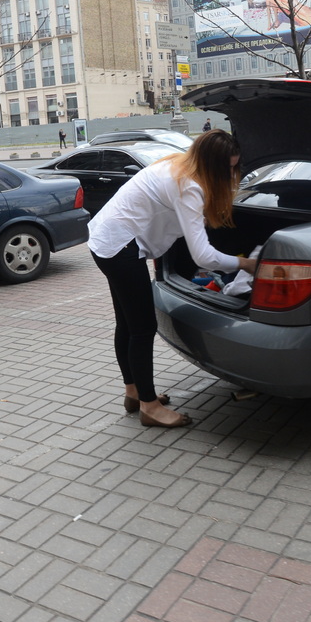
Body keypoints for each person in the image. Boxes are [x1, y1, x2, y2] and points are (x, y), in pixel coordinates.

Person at [88, 130, 258, 428]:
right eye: (227, 168)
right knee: (142, 328)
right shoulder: (188, 186)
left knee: (127, 324)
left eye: (235, 166)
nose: (232, 173)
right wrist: (247, 264)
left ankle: (134, 392)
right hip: (120, 247)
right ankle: (149, 407)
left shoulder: (178, 163)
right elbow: (203, 257)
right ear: (210, 165)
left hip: (106, 239)